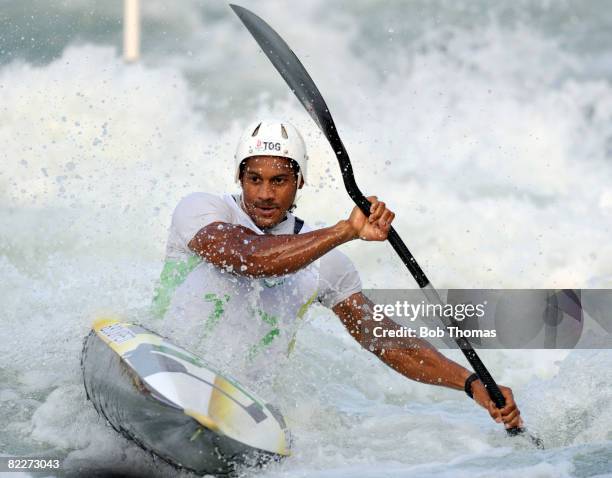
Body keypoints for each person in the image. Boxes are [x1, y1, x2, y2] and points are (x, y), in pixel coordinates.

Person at [152, 119, 523, 431]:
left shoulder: (327, 266)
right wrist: (345, 231)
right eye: (255, 179)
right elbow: (247, 257)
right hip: (162, 363)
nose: (265, 193)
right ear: (239, 177)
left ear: (300, 182)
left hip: (241, 400)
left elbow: (384, 339)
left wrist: (471, 383)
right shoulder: (202, 210)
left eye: (279, 180)